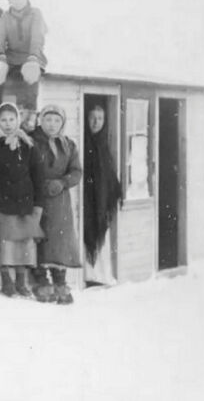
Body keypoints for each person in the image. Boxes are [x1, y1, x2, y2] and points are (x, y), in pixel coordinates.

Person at [0, 102, 46, 299]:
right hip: (2, 204)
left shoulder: (28, 145)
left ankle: (21, 281)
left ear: (18, 120)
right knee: (5, 244)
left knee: (23, 245)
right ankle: (6, 282)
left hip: (25, 205)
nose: (8, 124)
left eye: (11, 119)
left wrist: (38, 205)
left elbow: (38, 177)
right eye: (3, 120)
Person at [31, 106, 82, 304]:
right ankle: (42, 281)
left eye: (56, 121)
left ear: (62, 123)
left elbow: (76, 171)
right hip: (37, 197)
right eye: (48, 120)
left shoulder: (68, 145)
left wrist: (62, 182)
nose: (52, 125)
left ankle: (60, 282)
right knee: (39, 237)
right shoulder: (32, 142)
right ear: (40, 121)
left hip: (60, 200)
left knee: (59, 240)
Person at [0, 0, 48, 127]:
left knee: (31, 74)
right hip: (12, 57)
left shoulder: (36, 14)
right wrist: (0, 56)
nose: (16, 2)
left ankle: (30, 114)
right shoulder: (5, 16)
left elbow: (37, 37)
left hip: (31, 57)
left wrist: (34, 56)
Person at [84, 103, 123, 285]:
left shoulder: (103, 143)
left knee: (102, 237)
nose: (95, 122)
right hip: (88, 197)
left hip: (101, 197)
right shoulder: (85, 142)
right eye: (92, 118)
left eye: (100, 119)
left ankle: (100, 275)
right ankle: (89, 275)